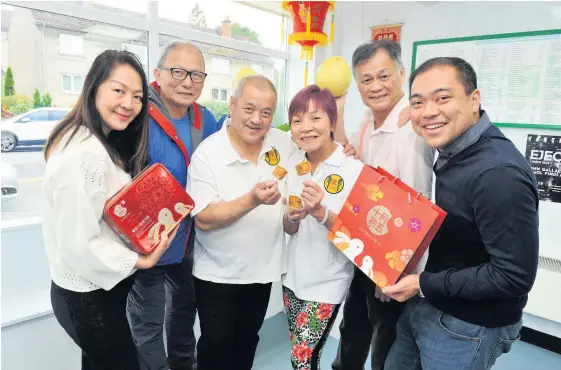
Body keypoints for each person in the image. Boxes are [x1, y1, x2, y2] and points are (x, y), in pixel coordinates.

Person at [382, 57, 539, 369]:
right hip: (429, 301)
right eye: (418, 102)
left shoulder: (497, 173)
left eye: (443, 98)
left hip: (469, 324)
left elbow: (513, 277)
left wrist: (422, 284)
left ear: (474, 100)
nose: (428, 111)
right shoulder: (455, 148)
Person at [42, 50, 176, 370]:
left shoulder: (97, 140)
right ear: (94, 87)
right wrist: (143, 259)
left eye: (138, 96)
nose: (128, 104)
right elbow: (79, 242)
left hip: (96, 294)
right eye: (118, 91)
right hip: (88, 300)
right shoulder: (85, 155)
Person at [331, 40, 435, 370]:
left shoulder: (411, 130)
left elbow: (416, 209)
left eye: (383, 76)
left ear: (402, 74)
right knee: (353, 332)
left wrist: (392, 271)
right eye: (366, 79)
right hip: (366, 251)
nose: (375, 86)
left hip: (394, 264)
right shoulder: (367, 123)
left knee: (387, 347)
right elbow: (359, 171)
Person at [186, 74, 295, 370]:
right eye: (249, 109)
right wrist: (252, 200)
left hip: (261, 272)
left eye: (266, 112)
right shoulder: (208, 153)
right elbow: (204, 219)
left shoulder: (283, 144)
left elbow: (317, 146)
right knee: (215, 348)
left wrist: (342, 149)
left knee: (247, 342)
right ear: (232, 106)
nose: (257, 120)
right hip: (217, 275)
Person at [127, 41, 223, 370]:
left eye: (196, 75)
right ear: (157, 73)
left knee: (183, 321)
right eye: (178, 72)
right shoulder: (136, 113)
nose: (187, 82)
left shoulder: (204, 118)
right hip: (146, 243)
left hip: (188, 242)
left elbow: (232, 148)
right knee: (147, 329)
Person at [281, 84, 365, 370]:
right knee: (306, 356)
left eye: (315, 118)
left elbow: (358, 235)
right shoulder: (292, 163)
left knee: (300, 358)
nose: (306, 128)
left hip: (328, 281)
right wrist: (290, 218)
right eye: (297, 120)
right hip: (292, 277)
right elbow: (289, 229)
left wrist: (320, 213)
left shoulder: (352, 169)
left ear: (332, 120)